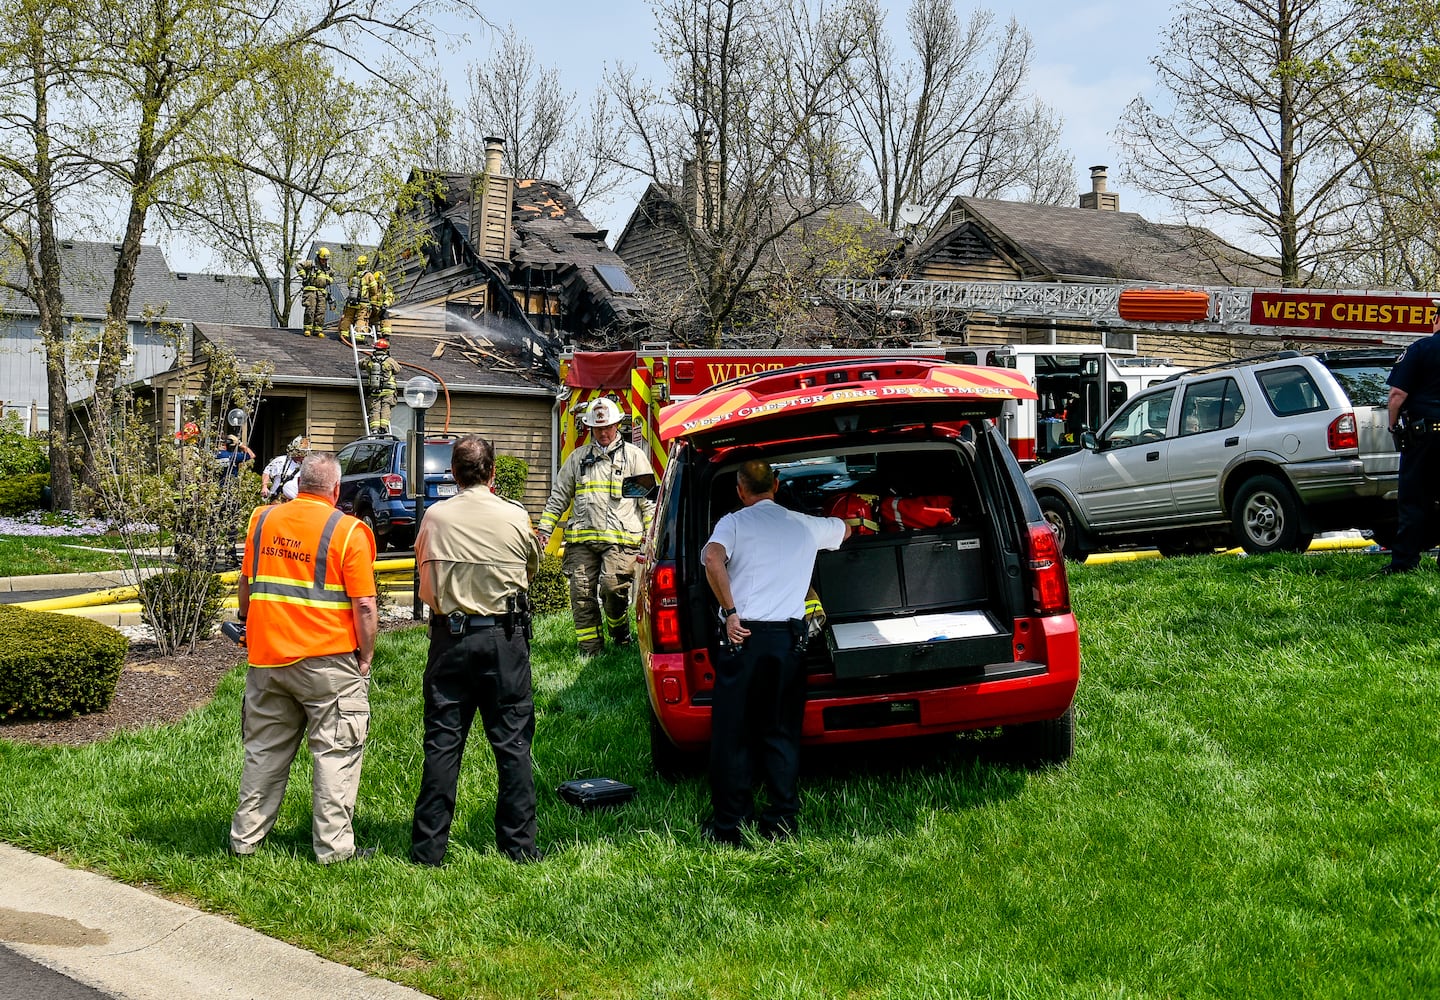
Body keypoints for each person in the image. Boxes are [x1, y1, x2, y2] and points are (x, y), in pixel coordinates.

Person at [229, 452, 378, 864]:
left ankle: (245, 840)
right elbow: (364, 605)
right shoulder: (350, 532)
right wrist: (365, 657)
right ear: (336, 490)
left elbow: (247, 582)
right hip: (328, 663)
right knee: (334, 754)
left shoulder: (262, 520)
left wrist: (245, 622)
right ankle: (333, 850)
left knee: (264, 752)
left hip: (267, 658)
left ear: (298, 484)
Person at [700, 459, 850, 844]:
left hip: (743, 640)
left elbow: (712, 558)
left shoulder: (733, 523)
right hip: (788, 642)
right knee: (781, 731)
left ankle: (730, 825)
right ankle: (782, 820)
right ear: (777, 484)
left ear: (739, 490)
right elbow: (844, 530)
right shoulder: (804, 525)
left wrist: (731, 613)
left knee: (733, 733)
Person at [411, 434, 543, 866]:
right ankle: (519, 847)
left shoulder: (435, 516)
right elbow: (531, 569)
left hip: (449, 639)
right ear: (492, 472)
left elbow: (421, 568)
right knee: (512, 745)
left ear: (453, 473)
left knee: (443, 745)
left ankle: (429, 850)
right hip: (504, 639)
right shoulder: (515, 516)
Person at [536, 398, 654, 655]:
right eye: (598, 428)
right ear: (590, 428)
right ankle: (590, 650)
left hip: (621, 540)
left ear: (617, 426)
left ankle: (619, 632)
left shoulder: (634, 457)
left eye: (608, 427)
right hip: (582, 540)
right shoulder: (578, 459)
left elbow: (647, 502)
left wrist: (652, 536)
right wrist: (544, 530)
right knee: (581, 594)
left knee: (613, 590)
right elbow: (559, 497)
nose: (603, 432)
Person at [1385, 313, 1440, 573]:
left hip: (1425, 436)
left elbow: (1397, 394)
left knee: (1414, 498)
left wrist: (1392, 425)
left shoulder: (1420, 349)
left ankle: (1405, 562)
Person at [215, 434, 257, 568]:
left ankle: (211, 559)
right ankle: (230, 558)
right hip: (230, 493)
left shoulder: (213, 457)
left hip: (216, 494)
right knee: (231, 527)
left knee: (214, 526)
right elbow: (251, 455)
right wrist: (241, 444)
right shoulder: (233, 456)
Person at [359, 338, 402, 434]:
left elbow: (360, 364)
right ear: (386, 350)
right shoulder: (389, 360)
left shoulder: (369, 359)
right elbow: (398, 369)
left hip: (374, 389)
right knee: (386, 407)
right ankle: (383, 427)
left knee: (375, 409)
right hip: (388, 390)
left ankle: (374, 429)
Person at [299, 247, 334, 338]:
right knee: (310, 309)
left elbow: (332, 275)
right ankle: (307, 329)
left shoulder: (328, 268)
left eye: (326, 259)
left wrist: (329, 280)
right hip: (311, 291)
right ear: (318, 257)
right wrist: (304, 276)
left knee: (320, 311)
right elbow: (298, 265)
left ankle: (318, 330)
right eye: (323, 259)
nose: (324, 261)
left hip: (322, 292)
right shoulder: (311, 264)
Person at [261, 436, 308, 503]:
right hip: (278, 500)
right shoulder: (281, 461)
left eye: (305, 452)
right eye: (301, 452)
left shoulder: (306, 465)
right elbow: (267, 472)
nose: (303, 455)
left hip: (296, 501)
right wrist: (264, 487)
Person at [359, 259, 394, 339]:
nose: (380, 285)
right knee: (364, 316)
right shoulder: (370, 289)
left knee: (385, 314)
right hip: (370, 310)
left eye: (381, 283)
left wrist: (385, 304)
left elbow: (390, 297)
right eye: (378, 283)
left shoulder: (384, 289)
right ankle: (363, 334)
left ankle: (386, 334)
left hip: (379, 310)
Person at [340, 255, 367, 337]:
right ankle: (359, 334)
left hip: (351, 301)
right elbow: (374, 289)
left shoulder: (352, 275)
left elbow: (349, 286)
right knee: (360, 318)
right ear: (366, 265)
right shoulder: (368, 275)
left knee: (348, 317)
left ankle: (344, 333)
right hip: (362, 302)